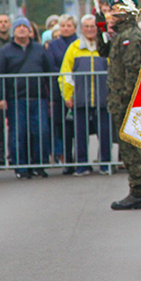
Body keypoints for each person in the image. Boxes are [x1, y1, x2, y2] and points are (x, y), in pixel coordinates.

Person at [0, 17, 55, 179]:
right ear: (14, 31)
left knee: (41, 132)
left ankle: (39, 165)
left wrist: (52, 96)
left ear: (30, 30)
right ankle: (20, 167)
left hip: (38, 97)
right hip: (16, 99)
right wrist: (0, 98)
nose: (21, 29)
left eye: (24, 27)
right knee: (18, 134)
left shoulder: (39, 49)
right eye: (18, 26)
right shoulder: (5, 51)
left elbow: (50, 73)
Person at [108, 0, 141, 210]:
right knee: (126, 149)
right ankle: (135, 191)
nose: (113, 13)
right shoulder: (121, 35)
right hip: (120, 100)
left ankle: (137, 192)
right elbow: (103, 51)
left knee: (130, 149)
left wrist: (126, 99)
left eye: (117, 9)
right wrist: (99, 29)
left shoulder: (131, 37)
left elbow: (133, 73)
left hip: (126, 102)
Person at [60, 14, 111, 176]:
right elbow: (65, 74)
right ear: (82, 29)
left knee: (104, 133)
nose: (90, 30)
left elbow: (114, 72)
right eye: (86, 27)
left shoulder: (105, 47)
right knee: (80, 133)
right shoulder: (74, 48)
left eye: (93, 26)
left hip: (103, 97)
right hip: (80, 98)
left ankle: (105, 164)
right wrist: (68, 96)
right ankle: (82, 164)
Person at [48, 14, 78, 172]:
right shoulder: (53, 45)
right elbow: (51, 65)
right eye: (63, 26)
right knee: (64, 128)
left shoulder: (79, 43)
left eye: (69, 26)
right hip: (60, 90)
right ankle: (67, 160)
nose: (66, 29)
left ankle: (81, 158)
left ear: (74, 27)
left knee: (80, 126)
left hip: (79, 89)